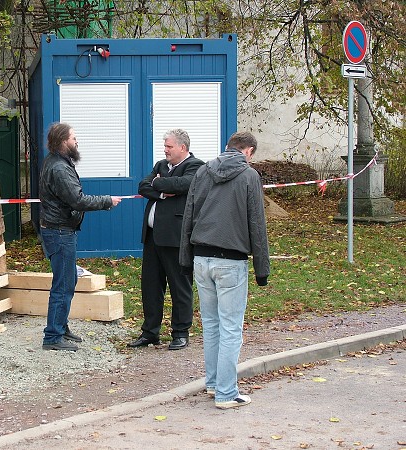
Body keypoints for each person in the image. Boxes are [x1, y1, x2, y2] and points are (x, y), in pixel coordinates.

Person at [179, 131, 270, 409]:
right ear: (248, 151)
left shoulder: (203, 171)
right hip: (231, 260)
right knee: (230, 327)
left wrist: (185, 258)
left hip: (201, 258)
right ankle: (226, 393)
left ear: (228, 147)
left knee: (212, 325)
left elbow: (189, 214)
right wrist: (261, 267)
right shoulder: (249, 176)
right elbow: (256, 222)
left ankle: (214, 383)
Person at [39, 122, 122, 351]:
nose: (76, 142)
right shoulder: (59, 168)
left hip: (60, 229)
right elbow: (77, 200)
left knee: (67, 281)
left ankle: (60, 327)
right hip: (59, 232)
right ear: (63, 141)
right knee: (63, 284)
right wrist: (107, 201)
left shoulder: (59, 163)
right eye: (73, 138)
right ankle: (53, 337)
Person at [128, 129, 204, 350]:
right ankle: (150, 332)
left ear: (182, 147)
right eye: (165, 146)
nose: (165, 150)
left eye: (169, 146)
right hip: (152, 237)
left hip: (175, 237)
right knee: (150, 287)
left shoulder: (196, 166)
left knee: (180, 286)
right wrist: (162, 190)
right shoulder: (161, 165)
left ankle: (180, 332)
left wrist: (159, 184)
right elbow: (142, 186)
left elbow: (183, 185)